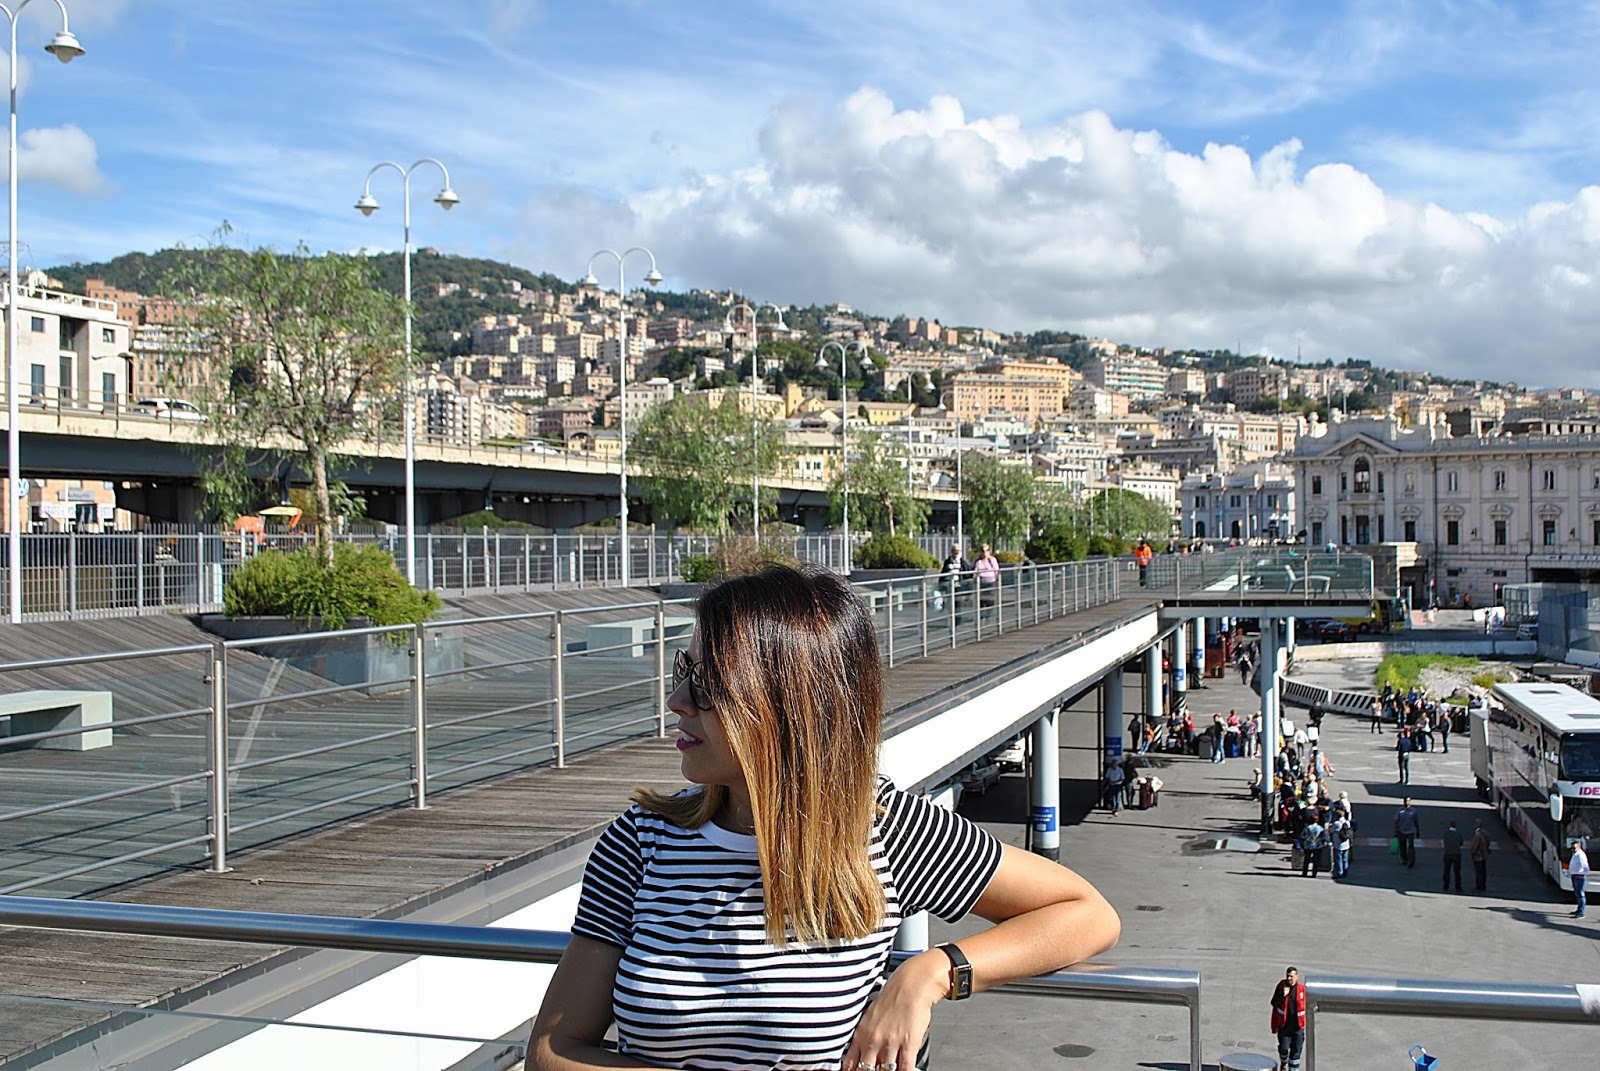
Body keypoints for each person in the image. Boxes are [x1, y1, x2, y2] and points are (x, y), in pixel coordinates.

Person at [528, 565, 1122, 1071]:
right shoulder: (638, 846)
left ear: (787, 706)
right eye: (683, 672)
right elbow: (555, 1051)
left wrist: (933, 972)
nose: (676, 700)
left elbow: (1086, 914)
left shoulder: (883, 831)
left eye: (706, 685)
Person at [1271, 966, 1308, 1071]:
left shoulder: (1301, 990)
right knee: (1283, 1048)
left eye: (1291, 976)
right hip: (1284, 1026)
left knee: (1296, 1051)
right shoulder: (1281, 987)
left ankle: (1293, 1069)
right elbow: (1274, 1003)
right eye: (1287, 976)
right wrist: (1283, 995)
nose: (1289, 979)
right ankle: (1284, 1062)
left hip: (1298, 1026)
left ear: (1297, 977)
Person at [974, 543, 1001, 616]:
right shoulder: (978, 561)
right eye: (983, 551)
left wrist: (996, 579)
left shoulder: (992, 560)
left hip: (990, 582)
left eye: (987, 550)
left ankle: (988, 615)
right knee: (981, 601)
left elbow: (996, 570)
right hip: (981, 583)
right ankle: (981, 617)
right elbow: (974, 571)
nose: (985, 553)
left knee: (990, 600)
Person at [1394, 797, 1421, 869]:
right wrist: (1395, 831)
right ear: (1403, 802)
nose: (1407, 802)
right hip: (1401, 831)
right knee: (1402, 846)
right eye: (1405, 801)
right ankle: (1404, 859)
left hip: (1411, 831)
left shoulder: (1414, 811)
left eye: (1408, 801)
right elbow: (1396, 821)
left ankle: (1411, 861)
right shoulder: (1400, 810)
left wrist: (1418, 831)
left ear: (1410, 802)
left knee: (1411, 847)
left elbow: (1416, 821)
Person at [1568, 839, 1590, 918]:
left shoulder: (1580, 855)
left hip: (1579, 877)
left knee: (1581, 895)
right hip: (1575, 876)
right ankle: (1579, 909)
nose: (1573, 849)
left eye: (1574, 848)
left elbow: (1585, 866)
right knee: (1577, 894)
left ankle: (1581, 913)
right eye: (1572, 848)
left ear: (1579, 847)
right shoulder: (1576, 854)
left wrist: (1583, 874)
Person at [1301, 814, 1327, 878]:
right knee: (1316, 860)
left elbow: (1302, 835)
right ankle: (1314, 873)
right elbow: (1324, 837)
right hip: (1317, 845)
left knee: (1306, 859)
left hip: (1308, 844)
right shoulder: (1320, 828)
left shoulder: (1307, 827)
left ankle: (1305, 872)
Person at [1441, 819, 1464, 893]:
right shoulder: (1458, 833)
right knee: (1457, 872)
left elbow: (1444, 841)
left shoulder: (1446, 833)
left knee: (1446, 871)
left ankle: (1445, 886)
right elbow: (1461, 843)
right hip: (1456, 854)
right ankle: (1458, 887)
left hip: (1448, 853)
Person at [1329, 808, 1353, 879]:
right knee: (1345, 859)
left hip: (1338, 844)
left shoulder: (1336, 823)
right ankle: (1345, 872)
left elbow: (1331, 831)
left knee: (1338, 859)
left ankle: (1340, 873)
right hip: (1346, 844)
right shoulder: (1347, 823)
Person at [1470, 818, 1491, 892]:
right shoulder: (1486, 833)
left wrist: (1472, 854)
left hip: (1478, 856)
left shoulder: (1477, 835)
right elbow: (1488, 843)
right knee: (1483, 871)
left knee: (1478, 871)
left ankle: (1479, 885)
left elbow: (1474, 846)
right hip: (1484, 855)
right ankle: (1483, 885)